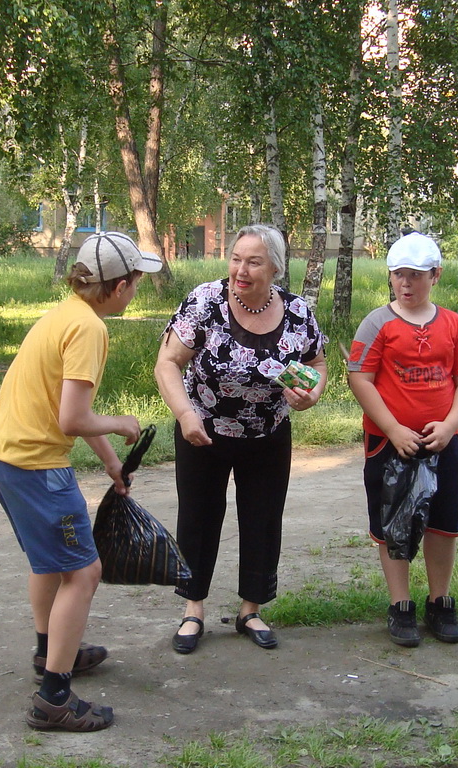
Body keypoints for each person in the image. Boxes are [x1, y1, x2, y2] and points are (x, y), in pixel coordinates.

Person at [0, 231, 162, 732]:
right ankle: (54, 698)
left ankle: (50, 653)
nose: (136, 290)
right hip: (35, 465)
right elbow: (73, 419)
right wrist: (121, 423)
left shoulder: (65, 314)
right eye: (136, 282)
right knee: (82, 572)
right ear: (120, 286)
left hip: (1, 454)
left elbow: (67, 408)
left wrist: (111, 463)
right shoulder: (89, 329)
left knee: (49, 562)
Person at [155, 223, 327, 654]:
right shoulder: (205, 301)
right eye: (236, 259)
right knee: (198, 517)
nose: (241, 270)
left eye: (253, 262)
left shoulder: (297, 311)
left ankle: (251, 610)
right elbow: (167, 363)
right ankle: (193, 610)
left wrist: (310, 395)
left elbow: (317, 364)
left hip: (268, 433)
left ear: (275, 269)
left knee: (263, 519)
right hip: (203, 430)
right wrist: (185, 414)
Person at [346, 232, 458, 648]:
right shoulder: (377, 323)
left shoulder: (454, 324)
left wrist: (450, 424)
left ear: (435, 275)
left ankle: (440, 601)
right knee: (393, 522)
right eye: (399, 275)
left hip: (443, 442)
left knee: (443, 523)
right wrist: (392, 428)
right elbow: (360, 378)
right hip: (390, 444)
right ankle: (400, 604)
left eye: (416, 276)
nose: (406, 284)